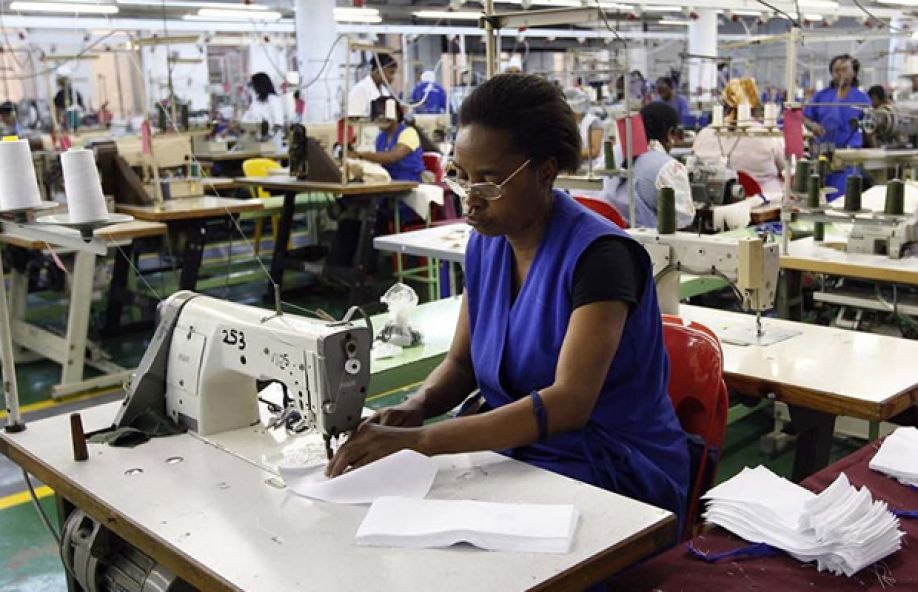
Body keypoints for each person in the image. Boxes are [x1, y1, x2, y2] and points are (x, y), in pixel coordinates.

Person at [327, 74, 690, 528]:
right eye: (461, 178)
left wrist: (422, 442)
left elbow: (569, 403)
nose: (470, 201)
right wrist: (415, 407)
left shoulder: (601, 257)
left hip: (614, 469)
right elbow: (461, 364)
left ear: (545, 172)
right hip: (521, 454)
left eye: (489, 183)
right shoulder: (486, 244)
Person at [692, 78, 786, 201]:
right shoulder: (768, 136)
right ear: (754, 103)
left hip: (716, 203)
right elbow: (788, 168)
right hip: (762, 204)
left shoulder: (704, 135)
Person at [605, 102, 695, 228]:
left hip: (612, 232)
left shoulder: (616, 153)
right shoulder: (668, 167)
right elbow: (682, 220)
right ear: (670, 133)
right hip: (647, 238)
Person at [803, 54, 870, 200]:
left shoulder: (861, 98)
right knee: (819, 195)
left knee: (843, 198)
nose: (840, 74)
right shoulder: (821, 96)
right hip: (822, 153)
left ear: (854, 72)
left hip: (848, 156)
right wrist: (812, 125)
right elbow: (805, 117)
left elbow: (868, 125)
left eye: (844, 70)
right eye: (836, 70)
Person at [354, 98, 425, 183]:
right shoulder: (380, 137)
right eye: (375, 117)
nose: (377, 120)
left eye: (381, 115)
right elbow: (380, 161)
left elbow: (392, 157)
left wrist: (361, 155)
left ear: (395, 114)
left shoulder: (408, 133)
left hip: (409, 182)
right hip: (389, 182)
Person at [347, 53, 397, 118]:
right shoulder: (360, 90)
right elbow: (353, 120)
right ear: (378, 71)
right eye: (391, 73)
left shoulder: (385, 91)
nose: (392, 77)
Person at [563, 87, 603, 166]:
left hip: (592, 167)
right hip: (573, 168)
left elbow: (594, 151)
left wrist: (568, 155)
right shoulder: (565, 122)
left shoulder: (593, 122)